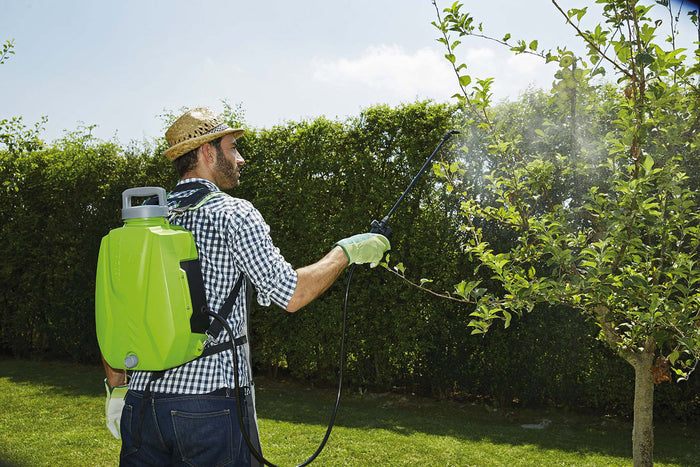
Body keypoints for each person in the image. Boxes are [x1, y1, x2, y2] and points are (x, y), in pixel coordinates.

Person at [101, 107, 390, 466]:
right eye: (232, 147)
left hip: (141, 406)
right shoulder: (234, 214)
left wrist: (117, 387)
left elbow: (113, 312)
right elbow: (291, 294)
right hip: (207, 408)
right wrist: (346, 252)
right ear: (207, 152)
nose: (241, 158)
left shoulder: (145, 221)